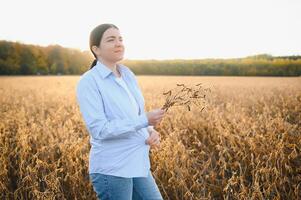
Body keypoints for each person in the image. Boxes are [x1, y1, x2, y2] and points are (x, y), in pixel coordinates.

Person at [76, 23, 165, 200]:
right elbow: (99, 130)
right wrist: (144, 120)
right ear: (96, 49)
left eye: (120, 39)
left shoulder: (128, 75)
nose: (119, 43)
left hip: (138, 164)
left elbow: (134, 117)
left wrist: (150, 131)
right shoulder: (89, 82)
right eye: (111, 40)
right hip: (113, 168)